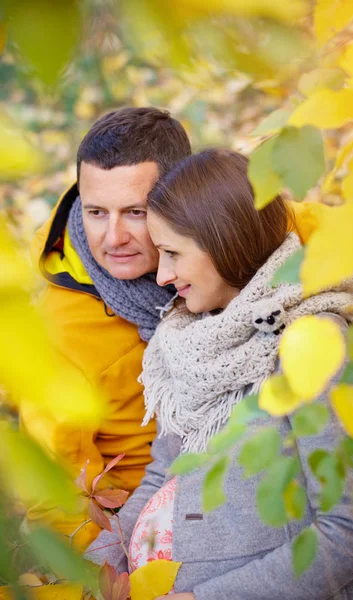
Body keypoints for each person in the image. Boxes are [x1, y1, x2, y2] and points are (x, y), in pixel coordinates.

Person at [86, 148, 353, 598]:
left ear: (223, 244)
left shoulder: (310, 344)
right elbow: (164, 472)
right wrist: (88, 569)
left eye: (173, 253)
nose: (163, 276)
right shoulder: (190, 339)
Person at [20, 107, 191, 549]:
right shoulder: (61, 333)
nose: (112, 238)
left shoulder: (221, 228)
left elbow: (335, 238)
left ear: (184, 198)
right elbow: (59, 499)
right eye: (96, 212)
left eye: (135, 212)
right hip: (147, 527)